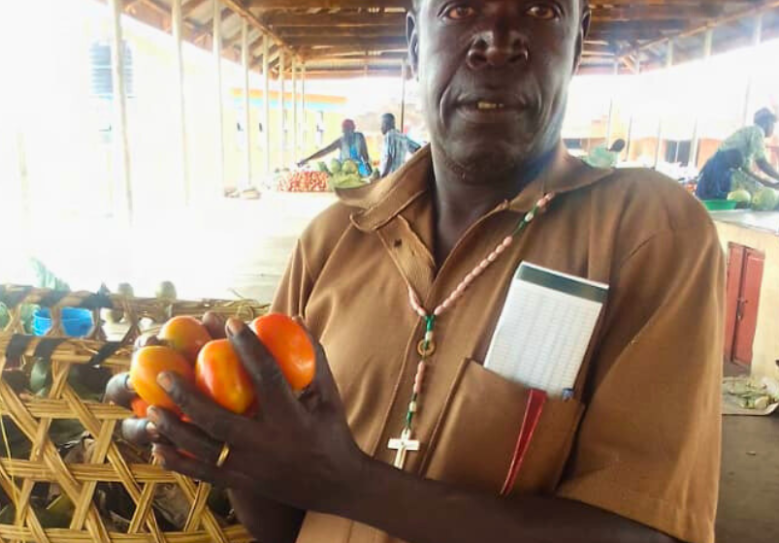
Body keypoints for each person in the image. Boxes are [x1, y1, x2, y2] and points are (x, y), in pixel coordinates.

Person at [116, 2, 723, 542]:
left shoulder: (650, 234)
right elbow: (283, 523)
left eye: (540, 11)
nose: (499, 38)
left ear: (579, 39)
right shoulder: (333, 241)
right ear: (414, 42)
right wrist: (225, 438)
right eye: (460, 11)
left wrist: (352, 486)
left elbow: (647, 530)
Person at [697, 108, 779, 199]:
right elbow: (762, 163)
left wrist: (769, 185)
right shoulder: (758, 131)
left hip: (714, 172)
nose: (773, 128)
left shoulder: (748, 135)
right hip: (722, 173)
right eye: (773, 124)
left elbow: (748, 173)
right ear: (767, 122)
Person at [298, 119, 372, 176]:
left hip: (357, 167)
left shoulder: (359, 137)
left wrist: (367, 165)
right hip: (343, 168)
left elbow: (364, 154)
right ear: (343, 131)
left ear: (353, 130)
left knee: (365, 173)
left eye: (349, 130)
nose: (347, 133)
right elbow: (325, 151)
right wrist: (308, 159)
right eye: (345, 131)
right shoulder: (340, 141)